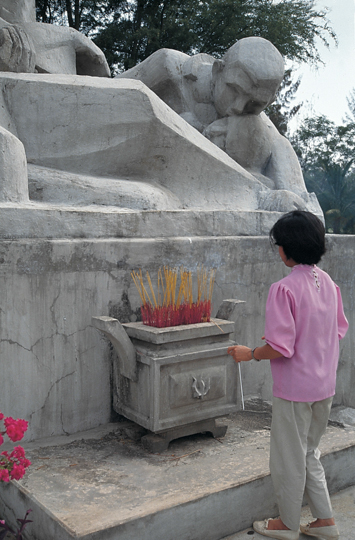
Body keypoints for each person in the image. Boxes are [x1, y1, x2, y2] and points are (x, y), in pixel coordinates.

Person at [227, 210, 349, 540]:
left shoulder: (284, 289)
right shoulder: (329, 284)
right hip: (324, 386)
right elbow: (338, 331)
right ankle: (325, 521)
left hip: (295, 391)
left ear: (285, 249)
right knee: (309, 453)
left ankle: (288, 523)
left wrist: (249, 353)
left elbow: (281, 348)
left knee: (288, 459)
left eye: (278, 245)